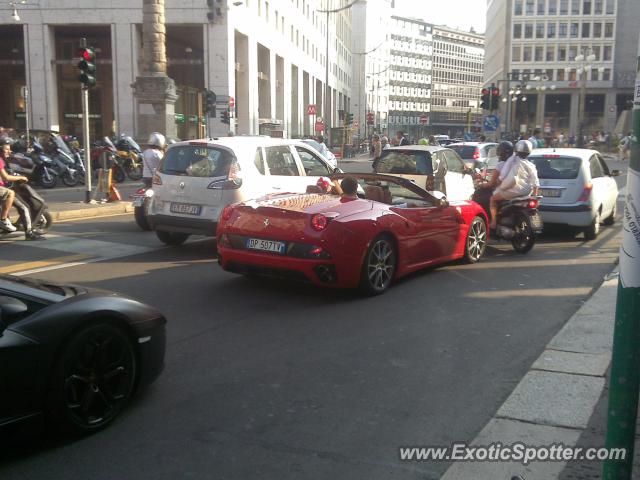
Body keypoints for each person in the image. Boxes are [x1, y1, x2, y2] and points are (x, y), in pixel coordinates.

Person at [489, 140, 539, 229]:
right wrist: (534, 195)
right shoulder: (531, 165)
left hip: (513, 190)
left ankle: (493, 222)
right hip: (526, 192)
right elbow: (535, 182)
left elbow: (503, 175)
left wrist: (497, 183)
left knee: (493, 199)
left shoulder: (512, 160)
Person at [0, 137, 28, 234]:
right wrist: (21, 178)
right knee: (10, 193)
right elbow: (6, 177)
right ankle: (3, 220)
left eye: (9, 149)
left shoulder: (4, 160)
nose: (9, 151)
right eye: (6, 149)